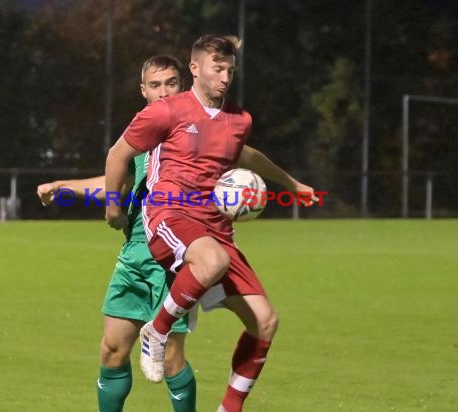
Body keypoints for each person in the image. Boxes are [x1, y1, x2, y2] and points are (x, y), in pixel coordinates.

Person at [105, 35, 318, 412]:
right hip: (169, 214)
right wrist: (112, 207)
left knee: (266, 322)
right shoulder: (165, 111)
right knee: (212, 261)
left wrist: (293, 184)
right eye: (218, 68)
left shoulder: (240, 119)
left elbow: (248, 156)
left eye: (230, 70)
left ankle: (229, 408)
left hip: (215, 228)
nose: (225, 77)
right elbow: (118, 152)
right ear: (195, 68)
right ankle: (156, 330)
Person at [37, 56, 197, 412]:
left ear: (182, 86)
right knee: (112, 350)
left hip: (173, 256)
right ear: (143, 91)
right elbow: (119, 185)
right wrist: (64, 186)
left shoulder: (195, 133)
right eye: (155, 85)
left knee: (171, 357)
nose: (163, 92)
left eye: (171, 83)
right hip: (134, 253)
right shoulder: (141, 135)